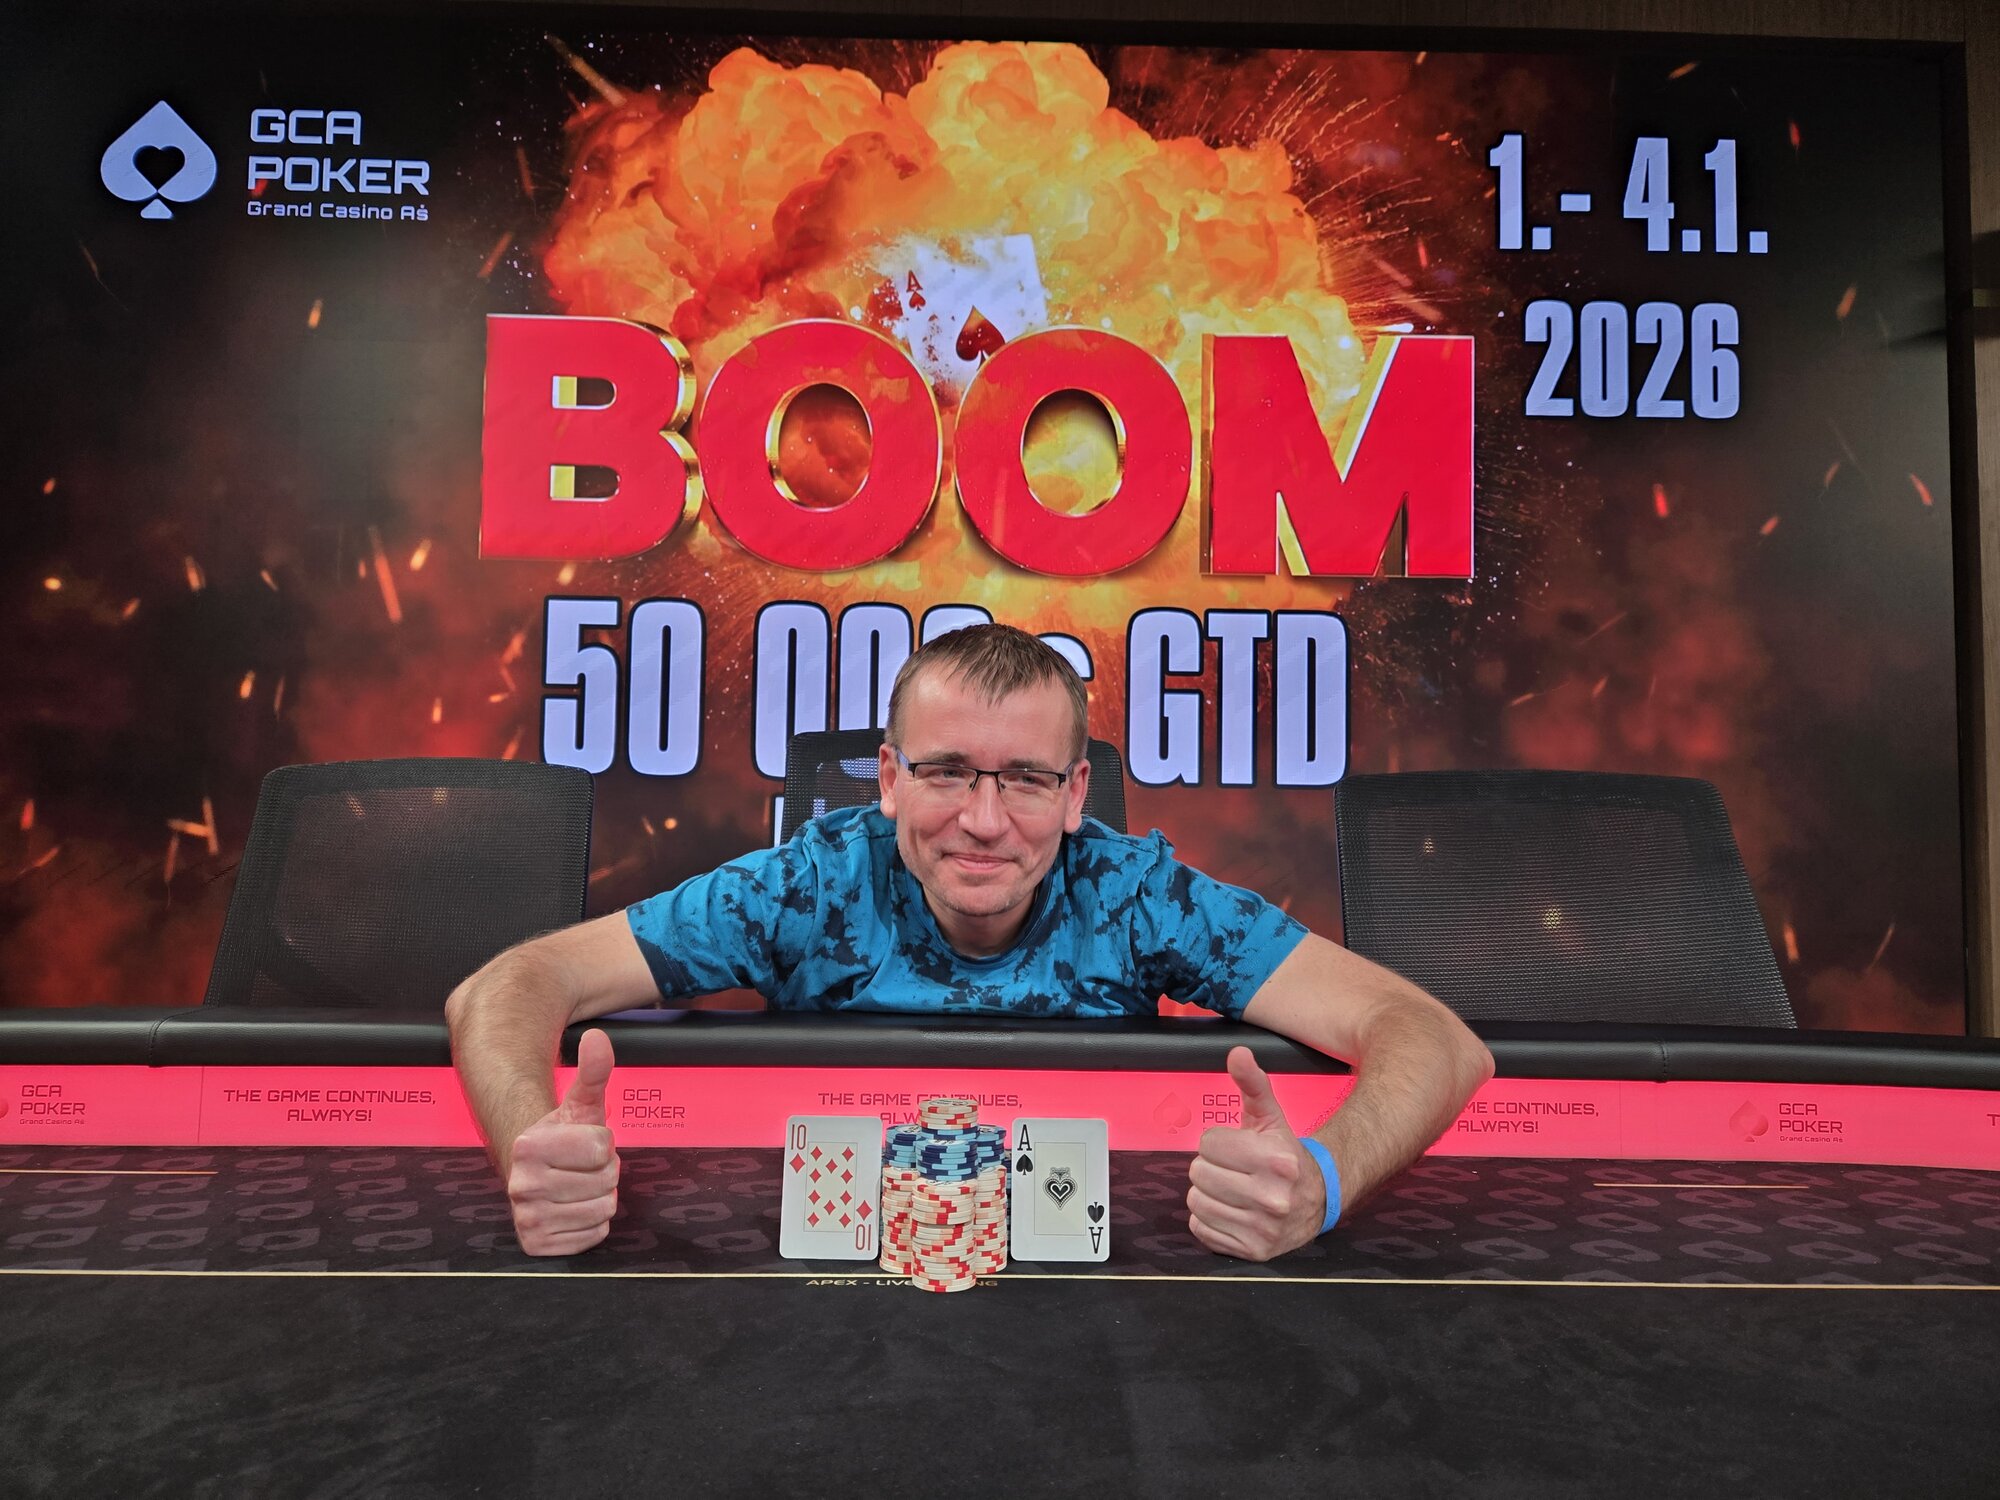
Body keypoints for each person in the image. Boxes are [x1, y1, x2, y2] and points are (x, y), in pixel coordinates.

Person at [445, 625, 1493, 1261]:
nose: (983, 822)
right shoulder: (807, 882)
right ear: (888, 779)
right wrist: (532, 1147)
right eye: (946, 771)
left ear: (1075, 795)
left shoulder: (1138, 893)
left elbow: (1436, 1040)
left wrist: (1320, 1181)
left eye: (1025, 780)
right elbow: (504, 987)